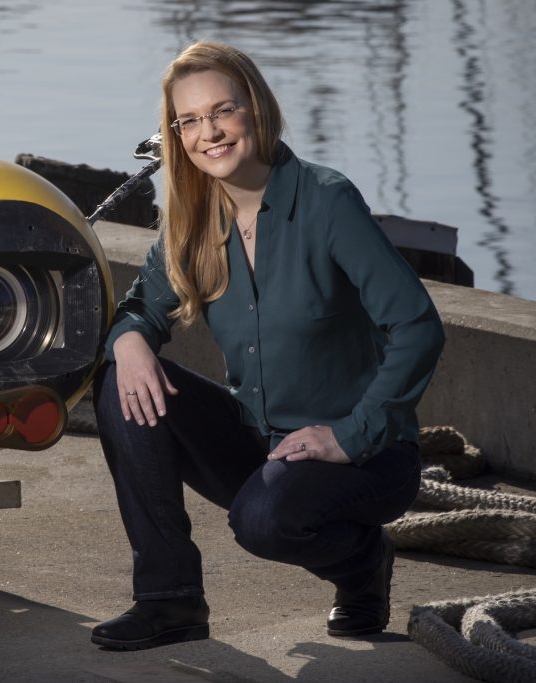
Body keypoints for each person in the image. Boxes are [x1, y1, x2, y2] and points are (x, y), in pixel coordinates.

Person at [90, 40, 445, 651]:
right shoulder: (195, 216)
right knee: (119, 384)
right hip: (262, 442)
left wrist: (349, 435)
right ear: (176, 135)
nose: (210, 132)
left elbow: (417, 325)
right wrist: (130, 341)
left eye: (222, 111)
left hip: (364, 454)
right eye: (191, 120)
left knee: (262, 522)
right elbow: (140, 311)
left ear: (256, 108)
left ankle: (363, 565)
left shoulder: (326, 200)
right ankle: (169, 600)